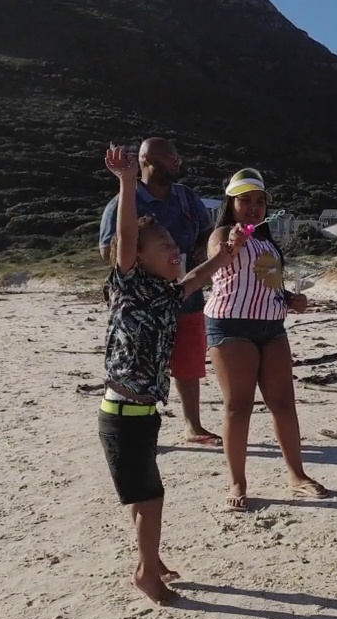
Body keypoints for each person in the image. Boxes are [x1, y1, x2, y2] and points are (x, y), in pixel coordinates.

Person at [98, 145, 246, 604]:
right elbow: (125, 235)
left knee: (146, 494)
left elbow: (199, 276)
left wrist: (228, 254)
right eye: (165, 246)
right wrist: (126, 183)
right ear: (139, 257)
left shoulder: (166, 295)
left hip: (141, 413)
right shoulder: (129, 284)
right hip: (122, 414)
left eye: (174, 245)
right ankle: (146, 571)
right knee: (151, 498)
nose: (175, 250)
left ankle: (152, 560)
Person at [204, 168, 330, 512]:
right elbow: (216, 263)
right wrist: (231, 245)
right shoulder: (221, 234)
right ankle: (238, 481)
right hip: (231, 326)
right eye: (245, 200)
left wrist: (291, 299)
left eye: (259, 202)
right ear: (231, 202)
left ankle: (297, 475)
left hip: (272, 328)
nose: (253, 208)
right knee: (238, 406)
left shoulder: (266, 242)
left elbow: (267, 283)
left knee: (284, 404)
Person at [99, 137, 222, 447]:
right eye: (169, 157)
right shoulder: (122, 203)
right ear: (146, 162)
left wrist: (207, 251)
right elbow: (111, 247)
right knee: (136, 362)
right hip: (140, 299)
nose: (176, 162)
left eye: (177, 156)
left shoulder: (187, 198)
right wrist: (140, 266)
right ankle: (131, 425)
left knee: (188, 361)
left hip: (183, 295)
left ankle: (192, 426)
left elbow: (206, 239)